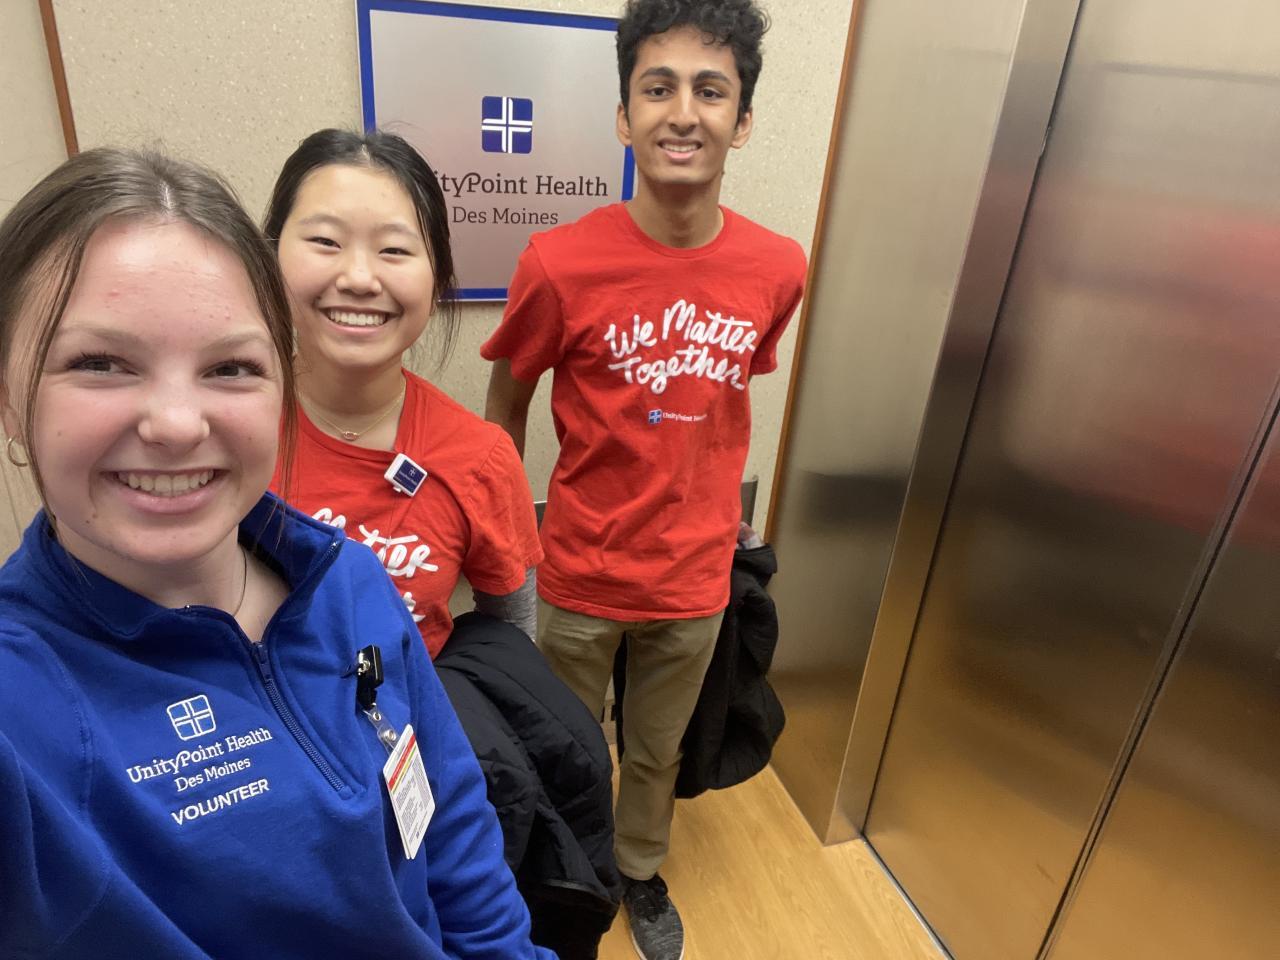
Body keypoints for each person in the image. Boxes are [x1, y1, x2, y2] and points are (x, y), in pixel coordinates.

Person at [0, 147, 555, 960]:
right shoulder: (18, 708)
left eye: (230, 367)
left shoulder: (349, 582)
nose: (177, 423)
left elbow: (451, 831)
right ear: (9, 395)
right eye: (100, 364)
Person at [482, 1, 806, 957]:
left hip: (695, 578)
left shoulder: (777, 268)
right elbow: (506, 403)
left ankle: (638, 867)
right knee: (567, 745)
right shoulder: (559, 264)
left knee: (657, 749)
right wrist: (512, 544)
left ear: (742, 121)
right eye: (658, 88)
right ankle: (571, 875)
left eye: (711, 90)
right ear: (624, 117)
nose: (683, 111)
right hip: (580, 570)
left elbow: (724, 394)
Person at [264, 129, 542, 659]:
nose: (359, 278)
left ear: (437, 278)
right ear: (269, 255)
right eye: (325, 242)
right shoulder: (219, 430)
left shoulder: (481, 459)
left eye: (394, 249)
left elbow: (511, 644)